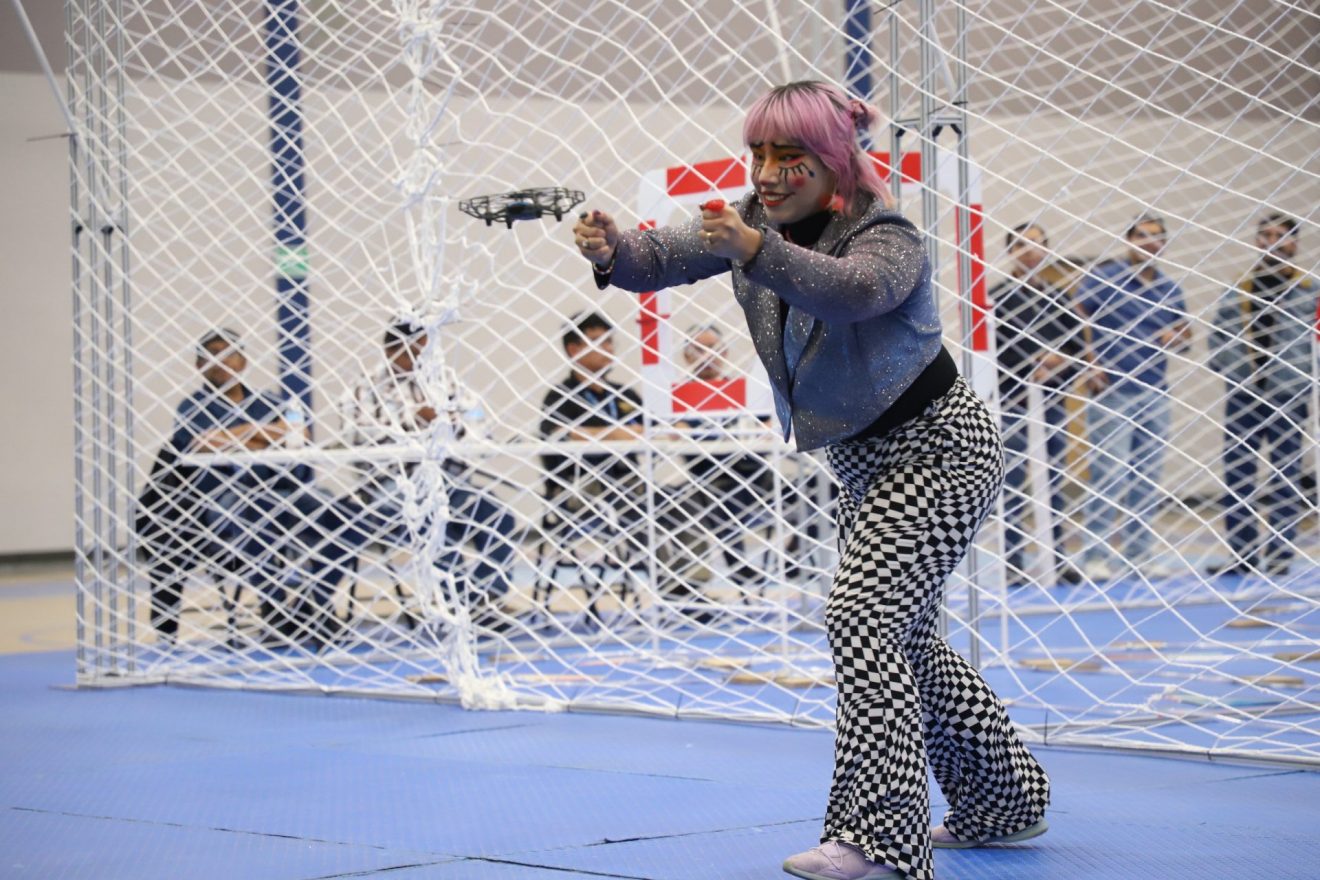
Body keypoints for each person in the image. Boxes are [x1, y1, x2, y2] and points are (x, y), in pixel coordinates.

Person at [572, 80, 1049, 880]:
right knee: (905, 639)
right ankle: (1005, 798)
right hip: (863, 463)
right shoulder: (750, 222)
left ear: (833, 162)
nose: (766, 173)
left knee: (862, 619)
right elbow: (666, 255)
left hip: (939, 452)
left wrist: (754, 251)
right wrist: (615, 251)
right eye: (758, 154)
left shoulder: (885, 232)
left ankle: (881, 841)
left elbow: (857, 291)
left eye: (788, 157)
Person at [139, 329, 365, 648]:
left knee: (346, 516)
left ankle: (317, 599)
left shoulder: (270, 401)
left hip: (282, 490)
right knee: (257, 516)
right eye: (212, 355)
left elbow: (297, 435)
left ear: (243, 361)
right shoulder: (190, 407)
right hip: (223, 500)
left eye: (228, 353)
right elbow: (203, 442)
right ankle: (275, 609)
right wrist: (261, 432)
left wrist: (237, 435)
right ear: (199, 365)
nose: (221, 362)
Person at [343, 318, 519, 620]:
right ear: (391, 351)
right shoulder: (364, 388)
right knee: (435, 521)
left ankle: (485, 598)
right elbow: (357, 440)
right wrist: (415, 421)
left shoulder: (448, 383)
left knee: (498, 517)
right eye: (413, 352)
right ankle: (452, 603)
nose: (421, 360)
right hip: (394, 488)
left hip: (451, 481)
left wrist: (447, 424)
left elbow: (480, 432)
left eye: (426, 351)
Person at [1075, 216, 1191, 581]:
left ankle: (1139, 555)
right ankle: (1095, 556)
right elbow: (1076, 314)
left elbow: (1186, 333)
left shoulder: (1170, 289)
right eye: (1141, 235)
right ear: (1128, 240)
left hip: (1155, 391)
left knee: (1147, 477)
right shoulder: (1105, 278)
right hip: (1112, 391)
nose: (1148, 242)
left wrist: (1177, 336)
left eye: (1155, 237)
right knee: (1109, 476)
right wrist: (1089, 359)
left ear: (1164, 244)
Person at [1207, 214, 1316, 577]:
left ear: (1294, 243)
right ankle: (1244, 554)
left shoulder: (1310, 290)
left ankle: (1280, 555)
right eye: (1266, 235)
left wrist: (1302, 378)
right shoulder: (1239, 288)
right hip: (1244, 396)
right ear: (1256, 241)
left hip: (1289, 396)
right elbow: (1217, 337)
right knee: (1238, 476)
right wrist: (1233, 371)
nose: (1273, 241)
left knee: (1286, 476)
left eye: (1281, 235)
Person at [990, 223, 1086, 585]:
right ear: (1011, 251)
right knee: (1013, 482)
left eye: (1037, 244)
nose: (1031, 251)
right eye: (1022, 245)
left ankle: (1056, 559)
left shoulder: (1059, 299)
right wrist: (1030, 366)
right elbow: (991, 352)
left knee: (1053, 481)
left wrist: (1057, 362)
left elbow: (1077, 349)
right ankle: (1013, 562)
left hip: (1051, 402)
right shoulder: (996, 299)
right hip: (1013, 402)